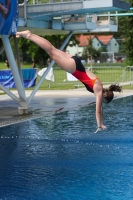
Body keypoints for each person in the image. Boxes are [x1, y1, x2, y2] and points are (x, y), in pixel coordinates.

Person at [16, 30, 122, 133]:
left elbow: (101, 109)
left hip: (77, 63)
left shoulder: (100, 86)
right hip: (75, 68)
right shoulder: (98, 91)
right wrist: (99, 125)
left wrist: (102, 122)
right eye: (102, 101)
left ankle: (29, 34)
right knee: (51, 52)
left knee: (52, 49)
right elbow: (98, 111)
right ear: (104, 96)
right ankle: (29, 35)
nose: (100, 102)